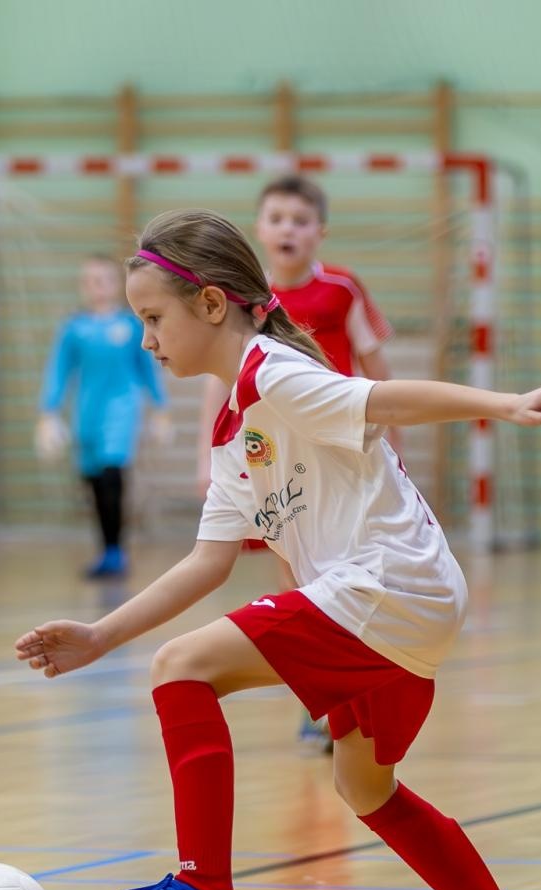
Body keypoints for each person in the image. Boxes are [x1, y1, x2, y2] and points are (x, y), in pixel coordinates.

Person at [16, 207, 541, 890]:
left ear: (213, 304)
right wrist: (98, 636)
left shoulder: (273, 372)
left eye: (154, 319)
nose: (147, 339)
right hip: (401, 602)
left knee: (183, 666)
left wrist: (500, 404)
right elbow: (207, 562)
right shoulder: (233, 426)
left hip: (387, 584)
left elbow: (385, 399)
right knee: (364, 787)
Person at [196, 175, 397, 751]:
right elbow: (221, 381)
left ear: (320, 233)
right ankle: (322, 702)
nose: (289, 229)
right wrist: (207, 458)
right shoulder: (247, 298)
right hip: (276, 458)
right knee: (296, 579)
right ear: (260, 229)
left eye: (300, 220)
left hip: (342, 449)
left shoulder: (342, 291)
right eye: (278, 218)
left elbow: (378, 368)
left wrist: (393, 438)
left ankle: (360, 683)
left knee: (344, 569)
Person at [38, 255, 171, 579]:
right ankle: (106, 548)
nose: (97, 287)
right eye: (90, 281)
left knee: (113, 474)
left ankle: (116, 551)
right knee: (94, 481)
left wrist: (160, 408)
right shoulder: (74, 329)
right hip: (87, 413)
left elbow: (148, 370)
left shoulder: (130, 326)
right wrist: (48, 412)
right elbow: (58, 370)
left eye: (104, 280)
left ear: (117, 285)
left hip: (122, 410)